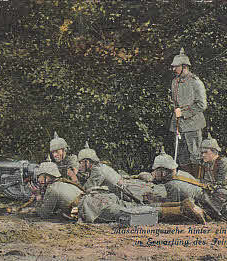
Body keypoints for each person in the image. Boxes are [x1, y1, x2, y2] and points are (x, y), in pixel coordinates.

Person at [33, 160, 207, 224]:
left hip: (93, 206)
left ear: (47, 177)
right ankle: (181, 204)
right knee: (131, 207)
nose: (39, 181)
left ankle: (182, 211)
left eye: (40, 177)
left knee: (132, 215)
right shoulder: (62, 182)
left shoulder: (52, 189)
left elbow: (43, 213)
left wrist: (37, 198)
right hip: (100, 197)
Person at [169, 47, 207, 176]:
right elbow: (174, 102)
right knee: (181, 154)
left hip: (193, 124)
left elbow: (202, 105)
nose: (174, 69)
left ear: (184, 66)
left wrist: (184, 113)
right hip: (178, 124)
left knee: (195, 154)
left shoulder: (196, 82)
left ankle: (197, 180)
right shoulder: (174, 82)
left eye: (176, 67)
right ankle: (186, 179)